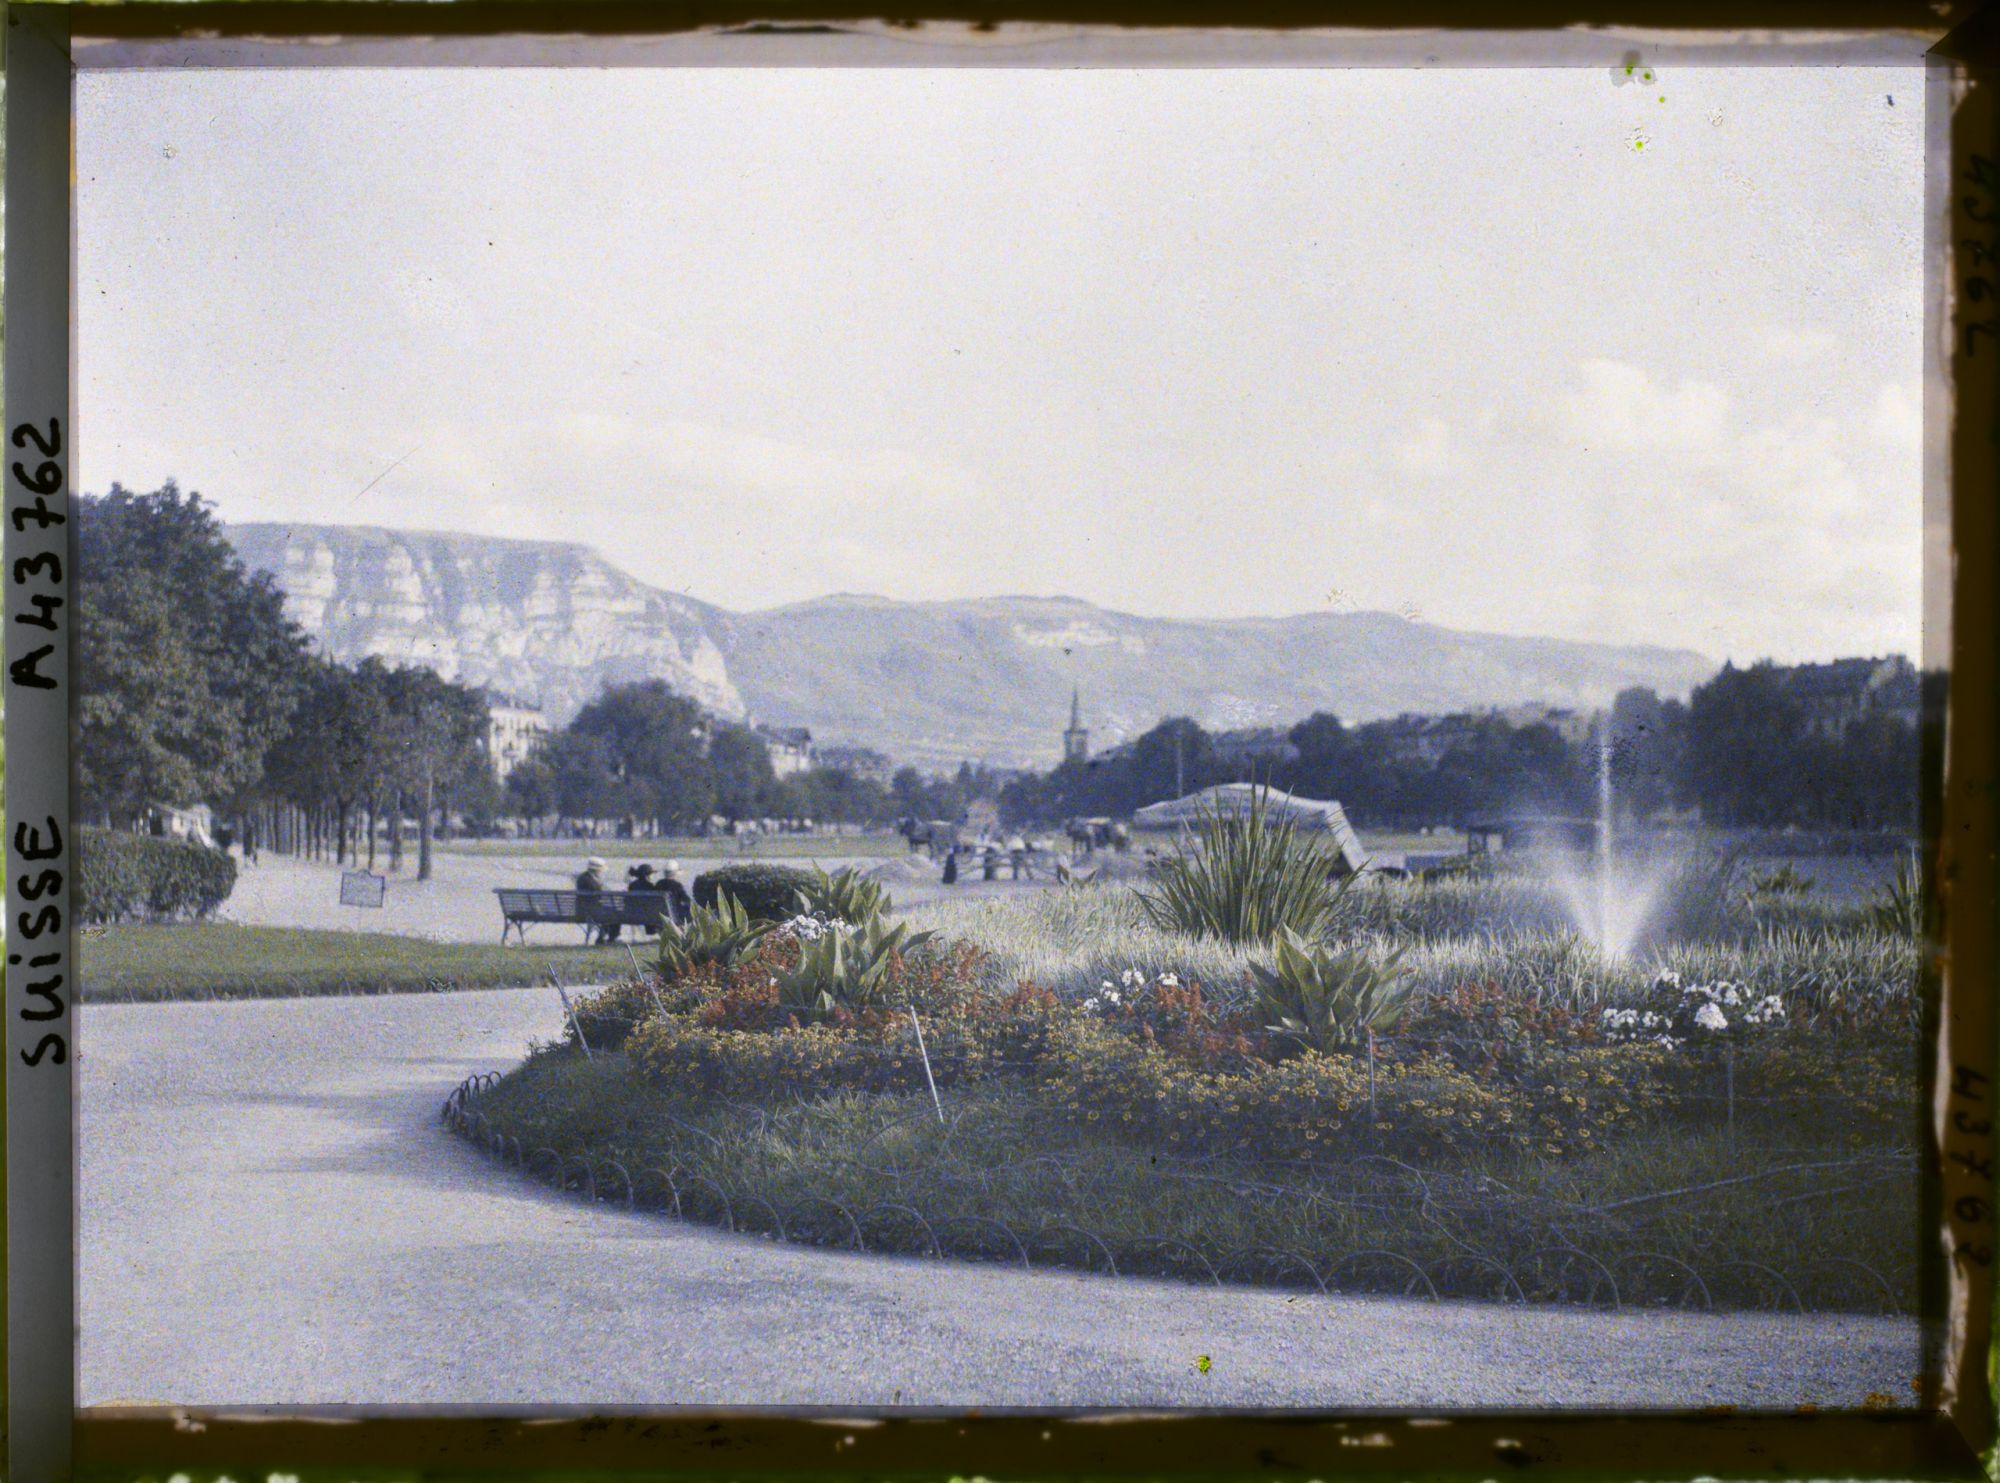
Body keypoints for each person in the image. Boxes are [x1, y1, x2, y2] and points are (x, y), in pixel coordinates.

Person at [575, 856, 619, 943]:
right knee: (615, 914)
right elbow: (597, 895)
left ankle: (603, 937)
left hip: (583, 910)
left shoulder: (583, 877)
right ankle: (607, 938)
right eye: (601, 870)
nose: (602, 871)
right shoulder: (588, 880)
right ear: (596, 870)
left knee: (612, 912)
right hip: (588, 911)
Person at [658, 859, 693, 927]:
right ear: (675, 873)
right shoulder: (676, 885)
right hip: (675, 916)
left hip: (660, 916)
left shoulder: (658, 884)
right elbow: (687, 900)